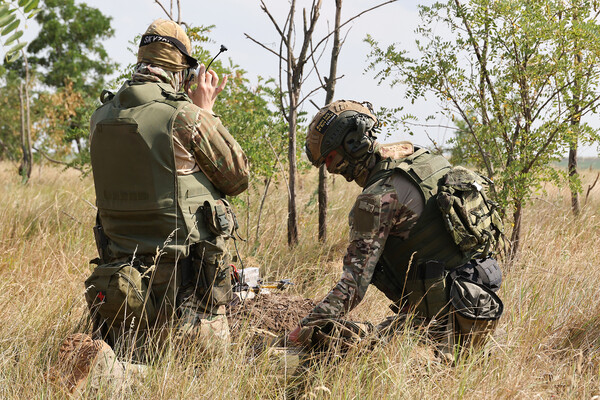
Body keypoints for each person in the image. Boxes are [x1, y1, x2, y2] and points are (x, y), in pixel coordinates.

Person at [56, 17, 248, 381]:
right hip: (187, 287)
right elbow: (237, 177)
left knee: (148, 352)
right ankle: (114, 376)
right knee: (207, 374)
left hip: (122, 283)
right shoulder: (185, 117)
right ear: (181, 71)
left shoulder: (100, 117)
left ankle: (115, 363)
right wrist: (205, 111)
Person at [289, 100, 504, 360]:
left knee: (334, 353)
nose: (329, 169)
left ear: (351, 145)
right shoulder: (420, 157)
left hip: (441, 330)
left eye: (330, 158)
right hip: (479, 306)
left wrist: (303, 328)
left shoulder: (377, 198)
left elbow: (352, 287)